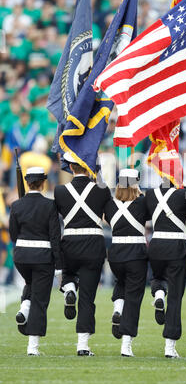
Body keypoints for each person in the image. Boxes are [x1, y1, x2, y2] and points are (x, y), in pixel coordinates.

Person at [54, 152, 111, 356]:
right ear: (89, 168)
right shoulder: (101, 190)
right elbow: (111, 217)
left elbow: (54, 223)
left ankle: (69, 288)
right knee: (87, 297)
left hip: (69, 243)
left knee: (69, 276)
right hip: (93, 246)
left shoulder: (59, 191)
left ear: (70, 167)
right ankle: (83, 345)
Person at [9, 167, 62, 356]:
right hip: (42, 257)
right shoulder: (50, 205)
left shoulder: (16, 205)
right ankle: (33, 347)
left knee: (31, 284)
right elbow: (55, 237)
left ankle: (24, 307)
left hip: (21, 257)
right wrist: (59, 266)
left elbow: (13, 234)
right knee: (40, 300)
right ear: (43, 183)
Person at [104, 168, 149, 357]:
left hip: (115, 255)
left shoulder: (109, 205)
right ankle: (126, 344)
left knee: (121, 282)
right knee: (134, 298)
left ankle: (117, 308)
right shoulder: (142, 203)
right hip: (136, 254)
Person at [145, 176, 186, 358]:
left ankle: (158, 294)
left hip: (156, 245)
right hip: (177, 247)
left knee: (157, 278)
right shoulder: (184, 193)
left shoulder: (150, 194)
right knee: (175, 296)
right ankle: (169, 347)